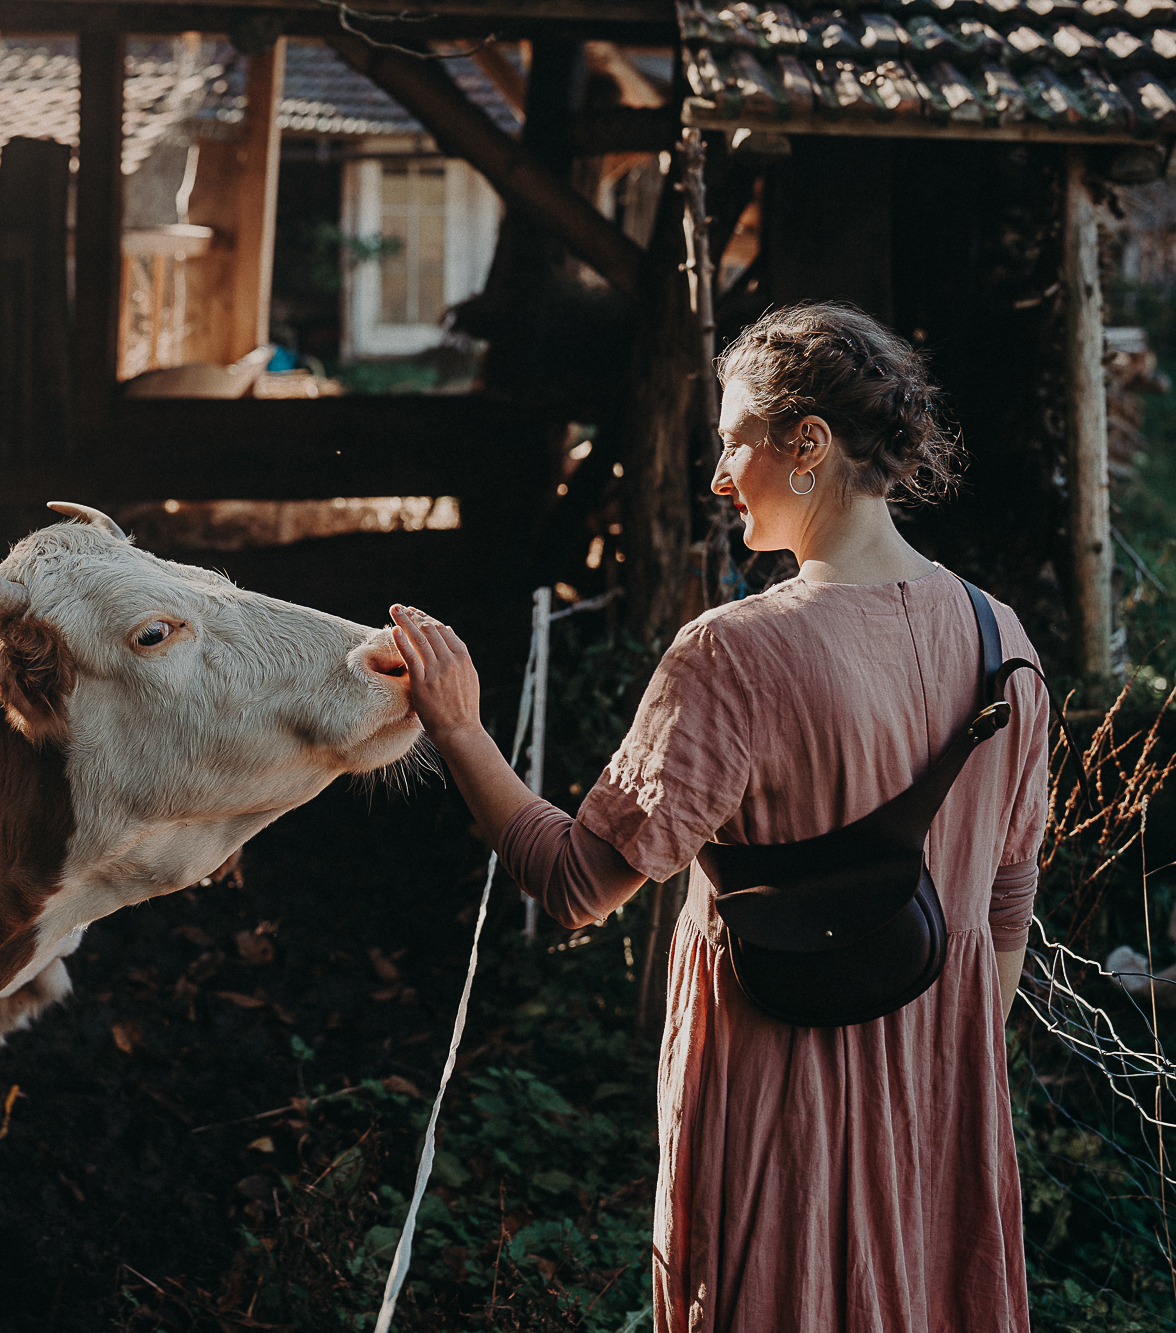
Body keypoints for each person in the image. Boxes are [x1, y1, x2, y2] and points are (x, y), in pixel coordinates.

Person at [390, 301, 1048, 1333]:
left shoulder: (732, 654)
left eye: (730, 440)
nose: (714, 475)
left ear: (808, 447)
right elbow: (1007, 898)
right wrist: (926, 1062)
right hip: (938, 1127)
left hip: (776, 1123)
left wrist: (460, 728)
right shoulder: (998, 637)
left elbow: (572, 885)